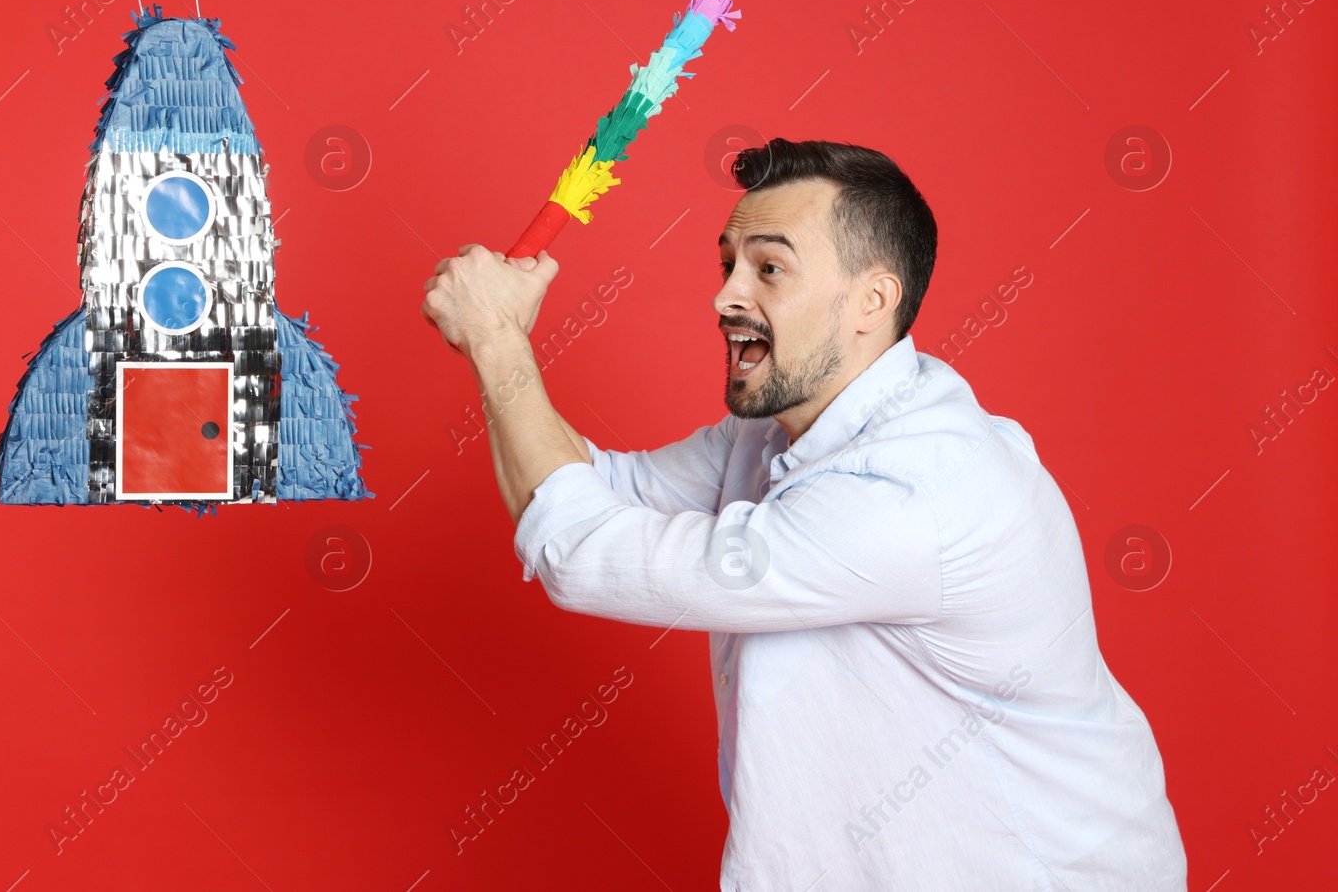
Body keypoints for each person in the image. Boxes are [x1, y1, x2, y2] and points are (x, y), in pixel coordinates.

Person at [420, 138, 1187, 891]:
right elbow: (593, 488)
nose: (725, 295)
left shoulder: (914, 493)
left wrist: (496, 338)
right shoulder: (773, 431)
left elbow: (577, 549)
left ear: (872, 302)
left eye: (770, 268)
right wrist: (501, 350)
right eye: (729, 262)